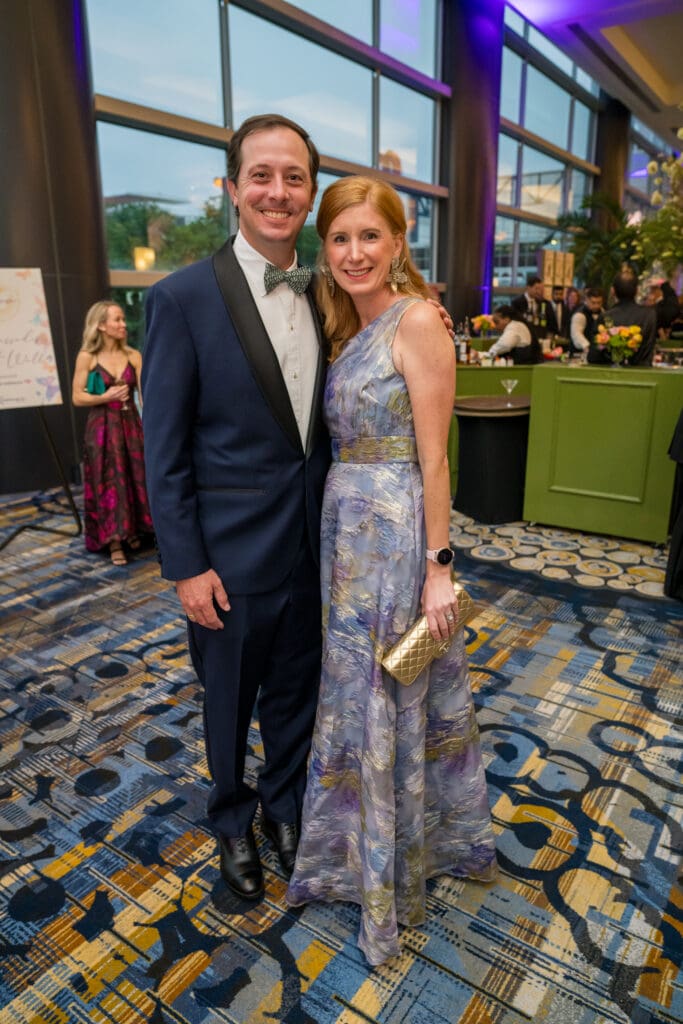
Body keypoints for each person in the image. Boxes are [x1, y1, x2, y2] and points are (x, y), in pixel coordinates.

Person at [285, 176, 497, 966]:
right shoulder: (345, 317)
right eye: (338, 238)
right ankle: (351, 852)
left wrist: (440, 568)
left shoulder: (416, 322)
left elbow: (438, 458)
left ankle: (399, 868)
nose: (352, 252)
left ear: (398, 242)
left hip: (400, 529)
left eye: (369, 236)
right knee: (353, 691)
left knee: (396, 687)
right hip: (344, 527)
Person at [141, 114, 330, 902]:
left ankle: (284, 807)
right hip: (226, 557)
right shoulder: (180, 298)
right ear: (231, 188)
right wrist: (186, 566)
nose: (276, 191)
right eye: (261, 175)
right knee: (228, 701)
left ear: (310, 193)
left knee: (298, 693)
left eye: (293, 177)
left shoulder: (330, 292)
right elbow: (165, 449)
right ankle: (230, 817)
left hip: (314, 545)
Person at [71, 301, 153, 565]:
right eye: (117, 320)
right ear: (101, 325)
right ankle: (114, 540)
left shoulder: (133, 356)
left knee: (135, 477)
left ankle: (133, 531)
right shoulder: (88, 357)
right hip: (102, 429)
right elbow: (77, 397)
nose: (123, 325)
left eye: (123, 320)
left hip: (131, 425)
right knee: (108, 483)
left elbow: (146, 395)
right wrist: (105, 396)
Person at [605, 270, 656, 366]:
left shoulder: (605, 317)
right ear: (637, 290)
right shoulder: (649, 315)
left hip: (611, 375)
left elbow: (594, 356)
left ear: (612, 291)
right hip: (644, 375)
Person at [511, 274, 558, 341]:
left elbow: (552, 324)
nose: (538, 292)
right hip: (523, 339)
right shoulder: (517, 303)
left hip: (541, 339)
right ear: (528, 287)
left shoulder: (545, 303)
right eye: (536, 289)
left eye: (541, 289)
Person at [569, 287, 605, 361]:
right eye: (593, 303)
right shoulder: (579, 315)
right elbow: (576, 335)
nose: (596, 306)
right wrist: (587, 347)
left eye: (599, 303)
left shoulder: (603, 312)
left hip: (597, 355)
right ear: (586, 300)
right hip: (578, 356)